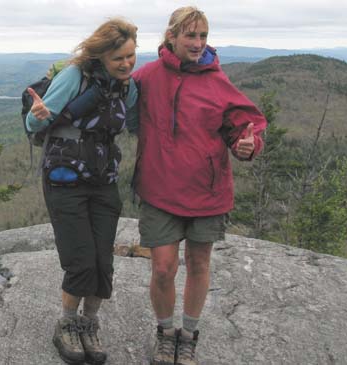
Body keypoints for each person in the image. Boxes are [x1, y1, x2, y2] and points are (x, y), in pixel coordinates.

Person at [128, 6, 267, 365]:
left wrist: (246, 146)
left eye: (203, 36)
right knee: (162, 268)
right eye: (190, 35)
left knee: (199, 262)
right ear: (171, 37)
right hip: (159, 189)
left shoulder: (216, 80)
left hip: (208, 191)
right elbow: (113, 94)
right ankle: (165, 333)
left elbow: (244, 126)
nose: (198, 43)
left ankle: (188, 335)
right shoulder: (146, 77)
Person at [26, 18, 138, 365]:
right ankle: (67, 325)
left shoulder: (127, 86)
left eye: (131, 57)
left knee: (103, 260)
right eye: (119, 58)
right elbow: (35, 123)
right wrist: (38, 114)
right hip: (65, 181)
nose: (126, 64)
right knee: (80, 259)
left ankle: (90, 324)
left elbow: (133, 120)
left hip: (103, 181)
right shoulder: (75, 77)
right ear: (101, 55)